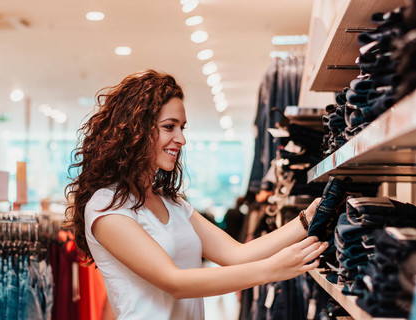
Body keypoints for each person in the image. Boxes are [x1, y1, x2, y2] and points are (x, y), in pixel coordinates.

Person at [65, 70, 327, 320]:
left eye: (182, 128)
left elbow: (237, 254)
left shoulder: (173, 203)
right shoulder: (106, 207)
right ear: (135, 130)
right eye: (169, 127)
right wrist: (270, 270)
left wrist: (309, 217)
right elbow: (174, 282)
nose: (181, 139)